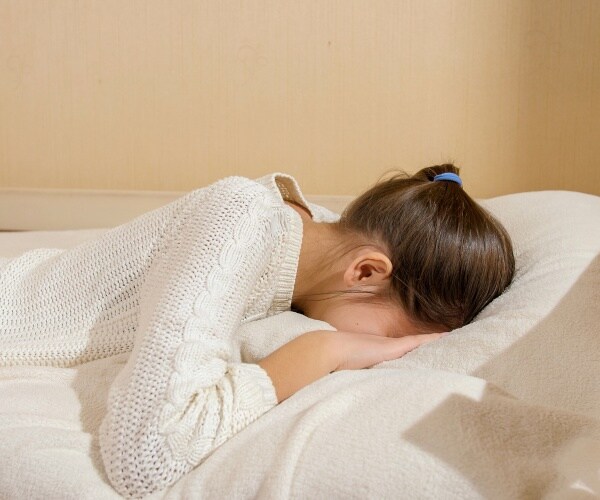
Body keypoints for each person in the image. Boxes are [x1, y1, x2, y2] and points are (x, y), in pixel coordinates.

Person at [0, 163, 514, 497]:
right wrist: (322, 352)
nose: (387, 350)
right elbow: (147, 455)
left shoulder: (311, 238)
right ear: (366, 272)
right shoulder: (241, 219)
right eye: (394, 336)